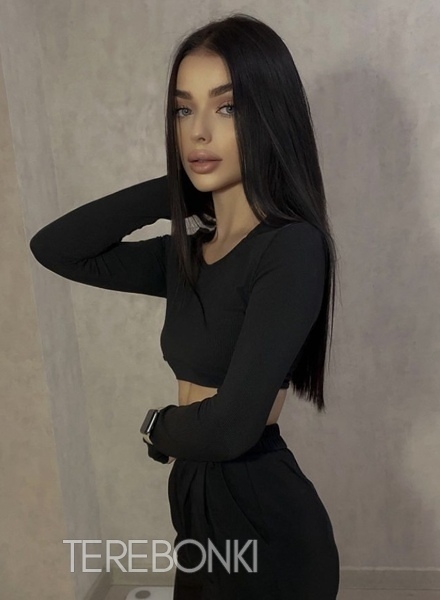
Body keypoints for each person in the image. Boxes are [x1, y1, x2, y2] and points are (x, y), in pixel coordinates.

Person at [29, 12, 340, 600]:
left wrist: (158, 426)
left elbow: (230, 428)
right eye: (182, 110)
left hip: (263, 518)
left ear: (270, 116)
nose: (198, 132)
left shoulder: (291, 249)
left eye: (227, 107)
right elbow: (57, 249)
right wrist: (174, 187)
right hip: (196, 502)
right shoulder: (187, 256)